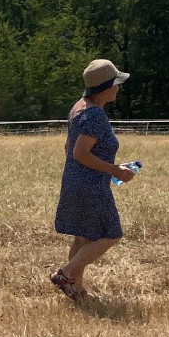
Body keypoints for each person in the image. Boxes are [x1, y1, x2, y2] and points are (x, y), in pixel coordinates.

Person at [50, 59, 136, 300]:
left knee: (83, 237)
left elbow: (69, 148)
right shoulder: (95, 115)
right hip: (90, 186)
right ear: (105, 87)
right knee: (111, 234)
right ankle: (65, 274)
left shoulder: (78, 108)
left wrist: (104, 168)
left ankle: (75, 289)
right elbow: (79, 152)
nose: (119, 88)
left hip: (75, 181)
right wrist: (113, 170)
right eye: (117, 83)